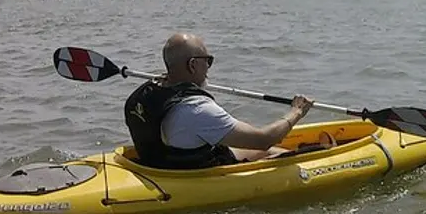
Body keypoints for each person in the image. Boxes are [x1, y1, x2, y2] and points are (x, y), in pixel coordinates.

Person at [124, 32, 314, 169]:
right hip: (193, 173)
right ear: (192, 65)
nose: (208, 67)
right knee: (277, 152)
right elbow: (263, 139)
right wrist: (296, 111)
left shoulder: (144, 94)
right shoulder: (198, 110)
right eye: (208, 61)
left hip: (159, 165)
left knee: (273, 151)